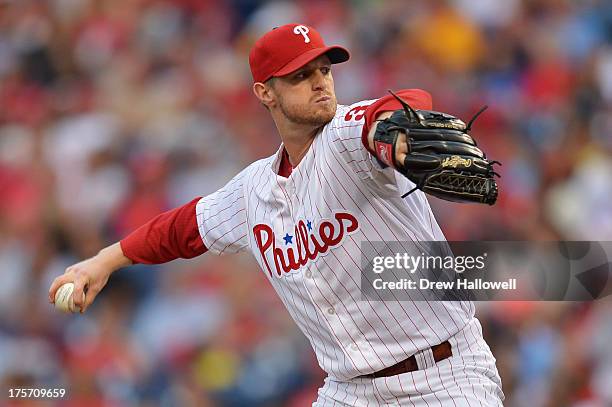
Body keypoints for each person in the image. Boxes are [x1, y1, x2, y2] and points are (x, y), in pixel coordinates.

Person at [49, 23, 504, 406]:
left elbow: (394, 106)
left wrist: (396, 136)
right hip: (350, 392)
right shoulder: (254, 190)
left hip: (444, 376)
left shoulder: (346, 136)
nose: (320, 81)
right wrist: (102, 261)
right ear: (265, 92)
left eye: (324, 70)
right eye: (301, 75)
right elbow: (183, 229)